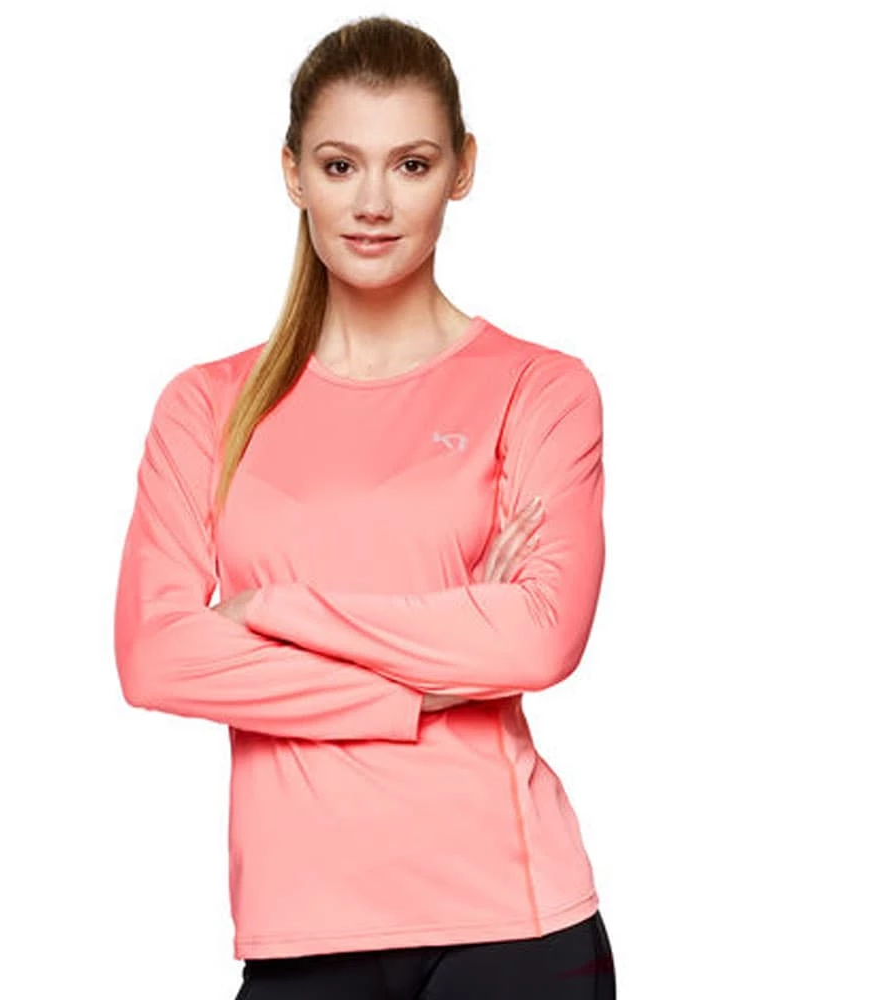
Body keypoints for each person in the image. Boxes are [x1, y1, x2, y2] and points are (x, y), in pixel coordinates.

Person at [113, 14, 615, 999]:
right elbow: (155, 654)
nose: (374, 203)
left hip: (511, 925)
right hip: (300, 930)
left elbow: (539, 637)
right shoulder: (207, 405)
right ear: (293, 173)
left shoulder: (539, 389)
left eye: (412, 164)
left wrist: (271, 609)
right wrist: (423, 688)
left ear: (462, 169)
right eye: (340, 166)